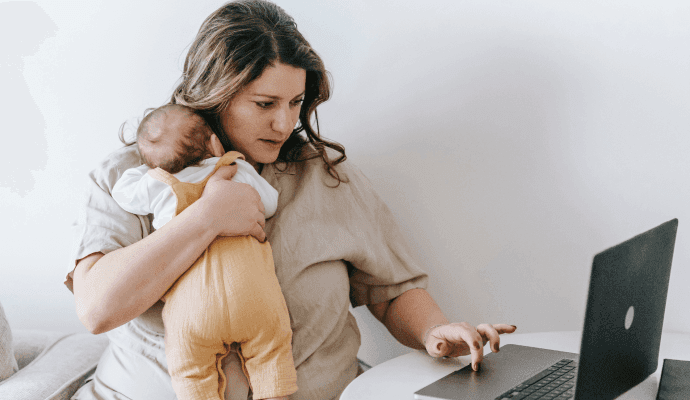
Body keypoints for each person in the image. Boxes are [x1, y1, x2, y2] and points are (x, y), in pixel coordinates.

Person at [66, 1, 517, 399]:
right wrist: (206, 218)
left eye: (296, 102)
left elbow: (391, 289)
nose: (284, 124)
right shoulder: (129, 176)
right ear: (214, 95)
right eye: (265, 104)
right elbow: (97, 308)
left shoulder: (327, 177)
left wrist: (433, 332)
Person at [111, 104, 296, 400]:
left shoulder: (159, 185)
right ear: (214, 142)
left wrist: (151, 168)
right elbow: (269, 202)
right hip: (253, 296)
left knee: (191, 371)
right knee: (271, 355)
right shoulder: (234, 168)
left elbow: (123, 192)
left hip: (193, 310)